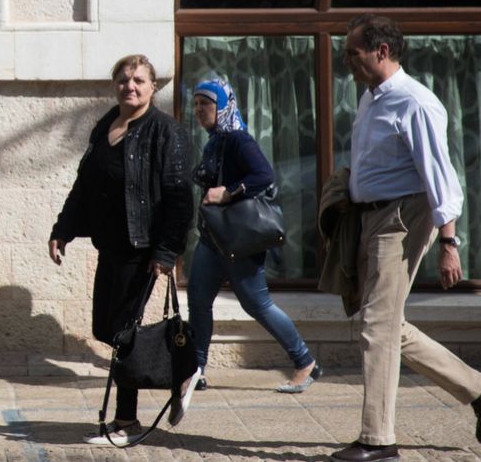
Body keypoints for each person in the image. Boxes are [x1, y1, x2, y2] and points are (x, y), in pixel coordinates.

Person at [330, 14, 481, 462]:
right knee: (386, 324)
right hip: (371, 218)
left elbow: (441, 178)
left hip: (402, 218)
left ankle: (378, 441)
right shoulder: (371, 97)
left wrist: (449, 244)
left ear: (381, 51)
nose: (346, 60)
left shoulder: (414, 102)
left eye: (353, 52)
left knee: (377, 325)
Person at [49, 53, 194, 446]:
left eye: (139, 80)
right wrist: (63, 230)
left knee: (123, 332)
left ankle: (126, 420)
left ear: (153, 87)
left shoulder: (166, 132)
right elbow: (84, 186)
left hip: (142, 249)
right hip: (110, 245)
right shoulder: (106, 125)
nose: (130, 86)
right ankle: (184, 369)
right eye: (124, 80)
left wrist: (166, 252)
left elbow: (180, 198)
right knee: (105, 327)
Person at [184, 76, 320, 394]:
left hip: (239, 240)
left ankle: (305, 362)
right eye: (196, 103)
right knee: (198, 301)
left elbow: (264, 175)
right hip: (214, 238)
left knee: (257, 304)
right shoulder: (215, 140)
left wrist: (228, 192)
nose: (199, 109)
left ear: (223, 106)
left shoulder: (237, 140)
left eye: (206, 103)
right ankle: (196, 370)